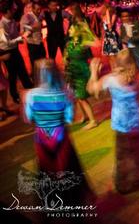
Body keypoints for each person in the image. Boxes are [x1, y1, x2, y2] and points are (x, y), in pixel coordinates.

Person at [24, 59, 93, 206]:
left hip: (42, 141)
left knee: (47, 172)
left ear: (37, 75)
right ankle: (72, 202)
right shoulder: (64, 94)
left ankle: (51, 203)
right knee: (68, 171)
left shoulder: (31, 95)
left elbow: (29, 118)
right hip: (61, 140)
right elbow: (69, 118)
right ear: (55, 73)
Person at [87, 50, 139, 194]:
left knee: (124, 156)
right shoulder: (138, 76)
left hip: (122, 125)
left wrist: (93, 72)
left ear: (117, 63)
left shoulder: (111, 79)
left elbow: (92, 90)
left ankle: (124, 185)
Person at [64, 16, 97, 129]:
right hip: (72, 72)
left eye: (71, 29)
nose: (69, 30)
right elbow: (66, 58)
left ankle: (93, 120)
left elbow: (96, 43)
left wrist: (87, 30)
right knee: (76, 96)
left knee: (82, 97)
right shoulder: (69, 43)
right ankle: (84, 116)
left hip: (81, 72)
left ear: (77, 31)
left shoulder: (83, 44)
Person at [0, 0, 33, 103]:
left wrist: (22, 35)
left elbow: (14, 36)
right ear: (8, 11)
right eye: (13, 9)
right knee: (12, 75)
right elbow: (6, 42)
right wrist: (20, 38)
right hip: (6, 52)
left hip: (14, 49)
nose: (15, 10)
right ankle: (15, 96)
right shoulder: (2, 24)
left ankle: (30, 89)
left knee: (22, 70)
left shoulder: (13, 21)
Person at [20, 2, 46, 68]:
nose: (39, 11)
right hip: (32, 43)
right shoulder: (26, 16)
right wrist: (32, 27)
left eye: (40, 9)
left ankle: (43, 75)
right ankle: (36, 76)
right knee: (34, 62)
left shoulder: (40, 16)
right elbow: (22, 31)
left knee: (43, 60)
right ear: (32, 9)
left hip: (40, 42)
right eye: (37, 9)